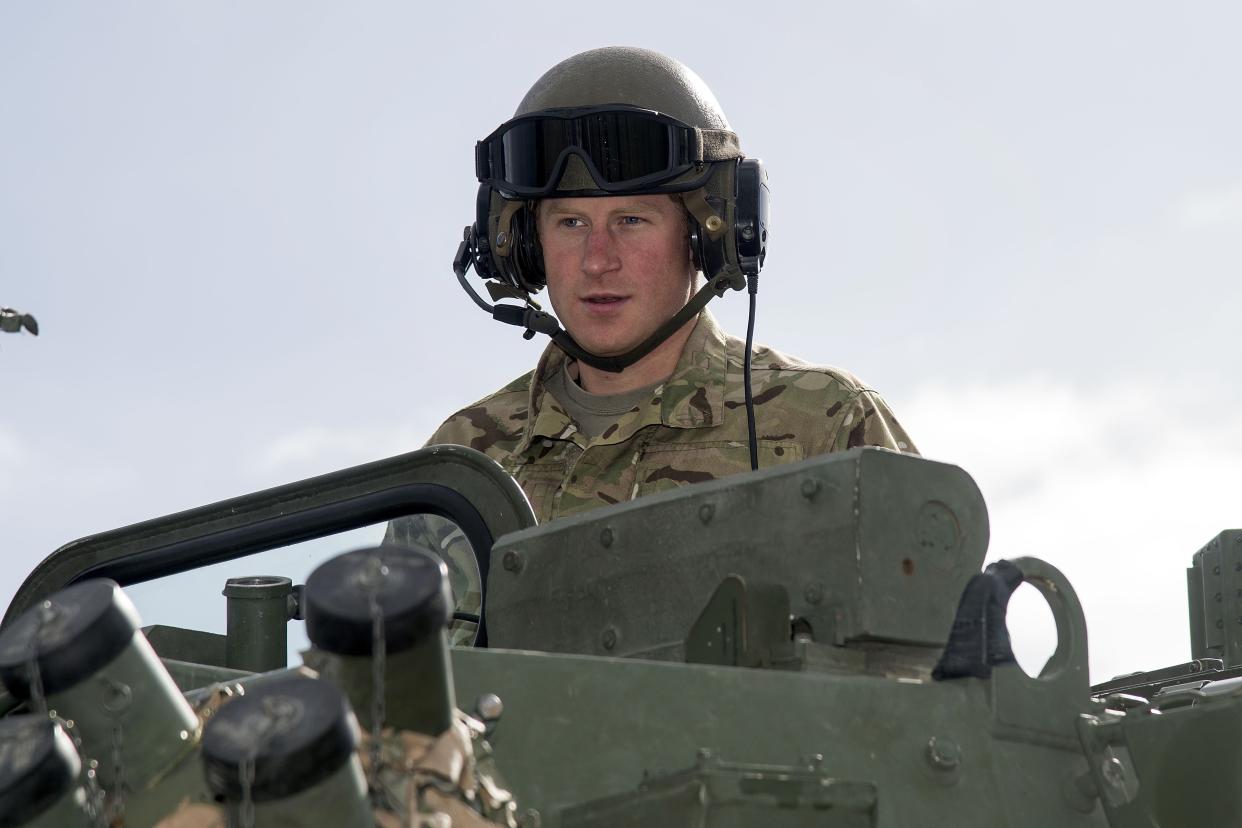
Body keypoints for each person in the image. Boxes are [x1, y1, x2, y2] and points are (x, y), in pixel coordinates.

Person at [388, 47, 915, 641]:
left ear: (708, 234)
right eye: (570, 224)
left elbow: (921, 679)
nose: (598, 260)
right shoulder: (466, 462)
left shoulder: (825, 426)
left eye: (632, 220)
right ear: (521, 245)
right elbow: (390, 698)